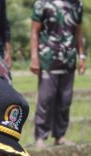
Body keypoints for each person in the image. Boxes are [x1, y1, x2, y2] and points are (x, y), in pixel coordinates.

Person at [29, 0, 86, 148]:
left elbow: (78, 31)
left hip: (69, 60)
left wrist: (82, 56)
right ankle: (40, 137)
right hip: (48, 59)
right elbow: (34, 31)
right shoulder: (42, 4)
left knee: (65, 100)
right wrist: (34, 58)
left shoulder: (77, 4)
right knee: (46, 99)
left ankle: (60, 136)